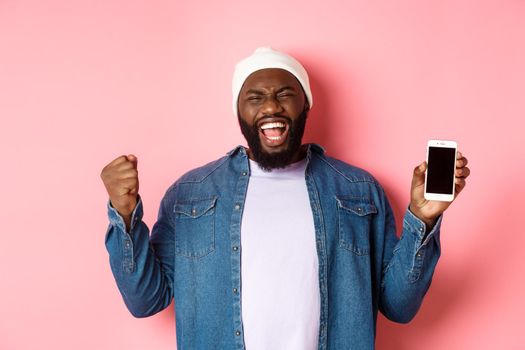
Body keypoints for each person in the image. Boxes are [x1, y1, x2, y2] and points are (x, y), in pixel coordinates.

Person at [101, 47, 470, 350]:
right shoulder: (191, 193)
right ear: (239, 111)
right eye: (255, 97)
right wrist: (124, 213)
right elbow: (145, 300)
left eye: (285, 94)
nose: (271, 107)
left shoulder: (358, 190)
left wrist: (423, 219)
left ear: (306, 105)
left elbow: (399, 306)